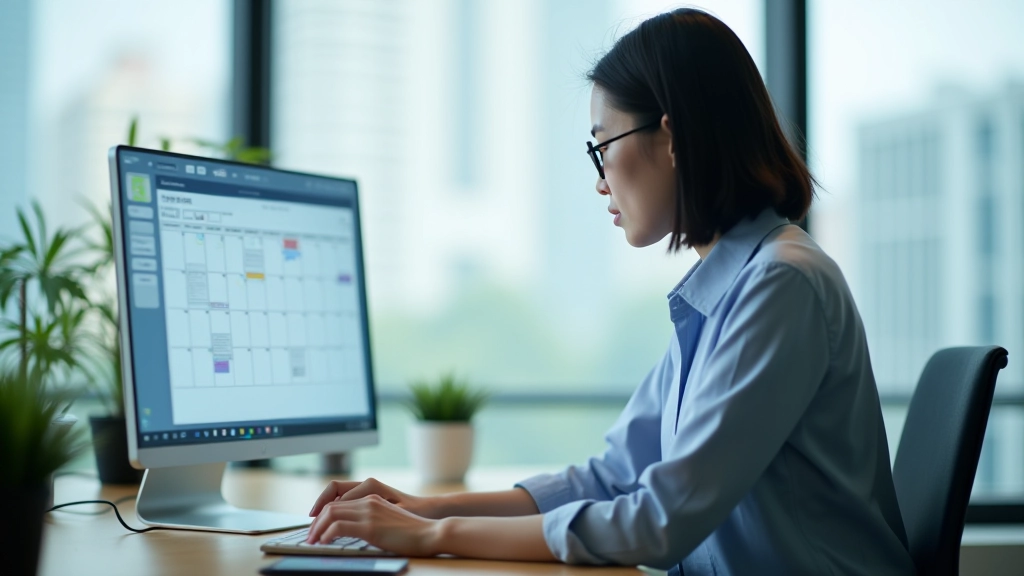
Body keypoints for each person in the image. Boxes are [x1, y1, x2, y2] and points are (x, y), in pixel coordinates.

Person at [305, 8, 915, 575]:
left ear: (671, 138)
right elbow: (611, 477)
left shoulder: (780, 285)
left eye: (602, 147)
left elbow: (658, 523)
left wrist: (433, 535)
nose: (600, 182)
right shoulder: (726, 291)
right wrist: (420, 509)